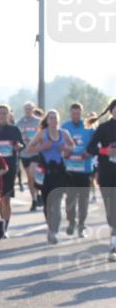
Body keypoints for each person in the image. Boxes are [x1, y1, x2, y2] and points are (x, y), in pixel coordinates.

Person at [26, 110, 75, 244]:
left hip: (59, 171)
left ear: (58, 120)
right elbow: (29, 149)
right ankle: (50, 229)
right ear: (47, 121)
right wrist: (42, 146)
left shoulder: (64, 133)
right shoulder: (42, 134)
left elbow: (72, 146)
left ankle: (54, 229)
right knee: (48, 203)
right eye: (51, 118)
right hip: (45, 172)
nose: (53, 120)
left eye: (55, 118)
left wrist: (66, 148)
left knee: (57, 203)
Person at [85, 98, 116, 261]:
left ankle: (114, 243)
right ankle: (114, 241)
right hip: (107, 173)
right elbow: (90, 147)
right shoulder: (104, 128)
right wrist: (105, 151)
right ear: (111, 111)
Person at [0, 105, 25, 236]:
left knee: (6, 198)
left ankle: (5, 226)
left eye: (5, 113)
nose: (2, 115)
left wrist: (18, 147)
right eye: (0, 113)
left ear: (9, 114)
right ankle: (0, 224)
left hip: (10, 166)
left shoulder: (15, 130)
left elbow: (22, 145)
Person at [60, 102, 96, 238]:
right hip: (69, 169)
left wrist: (89, 153)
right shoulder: (64, 127)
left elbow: (96, 144)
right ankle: (71, 222)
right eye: (73, 113)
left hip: (85, 169)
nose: (76, 115)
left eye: (78, 113)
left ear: (81, 112)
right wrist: (65, 152)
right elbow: (60, 144)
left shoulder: (89, 127)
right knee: (70, 199)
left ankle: (81, 225)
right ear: (70, 113)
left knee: (83, 200)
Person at [16, 102, 42, 211]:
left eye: (30, 108)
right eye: (26, 109)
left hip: (35, 152)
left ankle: (39, 194)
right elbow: (17, 137)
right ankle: (34, 199)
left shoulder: (38, 121)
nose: (28, 110)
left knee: (33, 174)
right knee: (30, 178)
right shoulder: (20, 123)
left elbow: (43, 135)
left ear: (33, 109)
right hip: (24, 153)